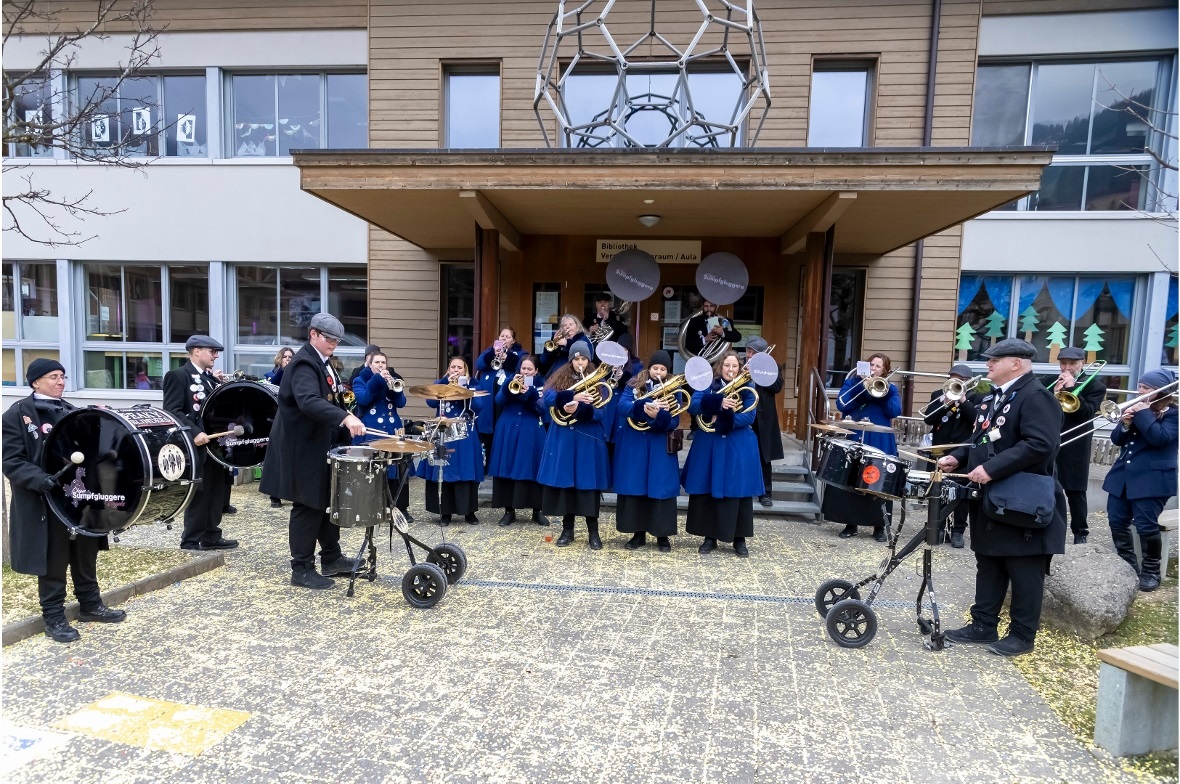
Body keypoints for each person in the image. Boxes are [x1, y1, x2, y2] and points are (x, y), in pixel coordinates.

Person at [939, 338, 1066, 657]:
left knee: (1023, 570)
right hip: (994, 498)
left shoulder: (1037, 397)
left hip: (1022, 500)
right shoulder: (994, 398)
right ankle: (983, 625)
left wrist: (991, 468)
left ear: (1017, 363)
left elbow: (1039, 445)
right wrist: (958, 457)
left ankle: (1022, 636)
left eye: (996, 359)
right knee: (989, 561)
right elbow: (980, 438)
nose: (989, 364)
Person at [3, 359, 127, 643]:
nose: (60, 381)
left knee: (85, 553)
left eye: (62, 376)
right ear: (35, 382)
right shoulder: (16, 415)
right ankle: (54, 617)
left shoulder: (72, 411)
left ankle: (90, 604)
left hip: (78, 498)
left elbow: (90, 450)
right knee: (54, 559)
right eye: (53, 377)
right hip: (45, 501)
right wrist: (38, 478)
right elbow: (11, 460)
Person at [259, 313, 366, 590]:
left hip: (322, 445)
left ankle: (331, 558)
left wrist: (345, 418)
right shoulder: (305, 362)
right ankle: (302, 567)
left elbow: (332, 397)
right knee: (307, 506)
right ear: (313, 334)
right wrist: (344, 418)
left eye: (336, 340)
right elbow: (308, 401)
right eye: (328, 338)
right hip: (302, 448)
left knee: (326, 503)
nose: (333, 344)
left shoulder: (324, 362)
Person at [1102, 369, 1178, 592]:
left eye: (1146, 388)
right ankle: (1128, 566)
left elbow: (1159, 438)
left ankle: (1151, 571)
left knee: (1146, 526)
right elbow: (1117, 439)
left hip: (1152, 480)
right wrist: (1125, 423)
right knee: (1116, 521)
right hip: (1123, 477)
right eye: (1140, 386)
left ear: (1160, 391)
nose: (1140, 391)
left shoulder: (1174, 414)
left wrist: (1143, 413)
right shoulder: (1136, 411)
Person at [682, 351, 763, 557]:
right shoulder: (708, 383)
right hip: (710, 444)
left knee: (738, 492)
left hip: (737, 444)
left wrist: (723, 420)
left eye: (734, 366)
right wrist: (719, 403)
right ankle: (709, 537)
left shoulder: (747, 386)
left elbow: (749, 416)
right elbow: (693, 405)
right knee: (709, 489)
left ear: (739, 368)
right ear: (720, 367)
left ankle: (739, 539)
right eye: (727, 365)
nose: (730, 370)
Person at [162, 335, 238, 551]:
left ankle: (211, 535)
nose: (215, 356)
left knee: (216, 491)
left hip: (215, 445)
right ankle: (191, 540)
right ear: (196, 351)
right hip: (196, 445)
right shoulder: (178, 376)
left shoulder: (210, 378)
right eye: (211, 351)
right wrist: (194, 432)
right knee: (200, 493)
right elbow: (172, 410)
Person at [537, 340, 611, 549]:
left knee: (588, 487)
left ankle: (593, 533)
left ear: (589, 360)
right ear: (571, 361)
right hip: (565, 439)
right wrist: (572, 397)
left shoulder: (598, 381)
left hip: (588, 438)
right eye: (576, 359)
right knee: (566, 485)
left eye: (583, 358)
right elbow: (546, 399)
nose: (580, 362)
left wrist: (580, 408)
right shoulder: (560, 378)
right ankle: (567, 530)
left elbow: (601, 413)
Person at [828, 352, 901, 541]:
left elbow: (895, 411)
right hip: (856, 436)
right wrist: (861, 387)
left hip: (879, 439)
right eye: (871, 365)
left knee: (878, 481)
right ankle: (850, 524)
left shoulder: (889, 388)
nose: (874, 369)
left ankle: (879, 526)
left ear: (884, 370)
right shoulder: (852, 383)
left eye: (878, 366)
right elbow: (842, 405)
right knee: (852, 479)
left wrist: (884, 393)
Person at [614, 350, 680, 551]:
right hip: (636, 443)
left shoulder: (673, 387)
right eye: (655, 368)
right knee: (636, 487)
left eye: (662, 369)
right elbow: (622, 406)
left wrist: (660, 414)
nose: (658, 372)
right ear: (649, 368)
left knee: (660, 488)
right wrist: (644, 406)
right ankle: (637, 534)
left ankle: (663, 536)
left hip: (659, 444)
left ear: (667, 371)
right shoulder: (635, 382)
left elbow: (675, 420)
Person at [415, 357, 485, 525]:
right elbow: (431, 401)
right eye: (453, 367)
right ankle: (445, 513)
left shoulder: (473, 385)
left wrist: (465, 389)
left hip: (465, 434)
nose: (456, 370)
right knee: (443, 471)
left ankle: (469, 512)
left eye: (459, 367)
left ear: (465, 370)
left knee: (467, 472)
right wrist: (445, 381)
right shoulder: (441, 384)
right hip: (444, 432)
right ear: (448, 369)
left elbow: (479, 407)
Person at [1050, 347, 1107, 544]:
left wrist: (1073, 389)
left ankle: (1080, 532)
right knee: (1049, 484)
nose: (1067, 368)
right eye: (1063, 363)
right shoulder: (1049, 382)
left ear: (1082, 362)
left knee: (1075, 489)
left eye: (1072, 364)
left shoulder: (1096, 386)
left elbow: (1087, 413)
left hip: (1077, 441)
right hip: (1052, 439)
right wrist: (1054, 393)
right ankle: (1049, 527)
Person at [487, 355, 550, 527]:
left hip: (531, 431)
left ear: (536, 371)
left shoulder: (541, 384)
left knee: (533, 468)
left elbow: (542, 408)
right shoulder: (510, 380)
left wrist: (528, 393)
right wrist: (509, 387)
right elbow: (498, 400)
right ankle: (509, 511)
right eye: (524, 368)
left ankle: (537, 511)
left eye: (530, 369)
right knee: (506, 466)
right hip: (508, 428)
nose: (526, 371)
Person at [351, 351, 413, 524]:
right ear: (369, 364)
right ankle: (370, 508)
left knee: (395, 470)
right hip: (371, 431)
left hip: (391, 430)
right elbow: (363, 399)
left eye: (383, 362)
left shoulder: (392, 379)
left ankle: (399, 508)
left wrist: (393, 388)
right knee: (371, 471)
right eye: (377, 362)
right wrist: (378, 380)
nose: (380, 365)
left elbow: (401, 403)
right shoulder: (360, 380)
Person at [922, 363, 978, 548]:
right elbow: (929, 419)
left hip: (963, 452)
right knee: (938, 491)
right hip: (939, 450)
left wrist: (962, 401)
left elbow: (977, 421)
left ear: (968, 382)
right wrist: (944, 404)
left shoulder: (977, 397)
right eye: (952, 378)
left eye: (960, 380)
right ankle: (938, 527)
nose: (955, 382)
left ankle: (958, 531)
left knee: (961, 494)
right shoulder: (938, 395)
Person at [474, 327, 524, 469]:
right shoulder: (490, 350)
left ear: (513, 340)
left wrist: (507, 358)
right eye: (502, 336)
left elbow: (522, 365)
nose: (503, 338)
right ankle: (485, 464)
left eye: (507, 337)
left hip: (505, 394)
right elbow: (479, 364)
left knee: (501, 427)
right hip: (488, 394)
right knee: (486, 427)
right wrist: (492, 354)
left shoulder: (519, 352)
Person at [745, 337, 784, 507]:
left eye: (752, 352)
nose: (749, 355)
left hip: (764, 418)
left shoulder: (772, 367)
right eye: (748, 351)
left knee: (764, 456)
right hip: (744, 414)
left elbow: (777, 387)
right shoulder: (739, 365)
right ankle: (744, 490)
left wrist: (758, 370)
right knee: (743, 454)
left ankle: (765, 493)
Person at [538, 314, 587, 379]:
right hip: (554, 377)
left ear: (578, 328)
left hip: (571, 378)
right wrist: (554, 344)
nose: (567, 327)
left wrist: (566, 344)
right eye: (565, 325)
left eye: (570, 324)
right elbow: (543, 361)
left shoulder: (584, 339)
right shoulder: (561, 340)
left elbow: (583, 355)